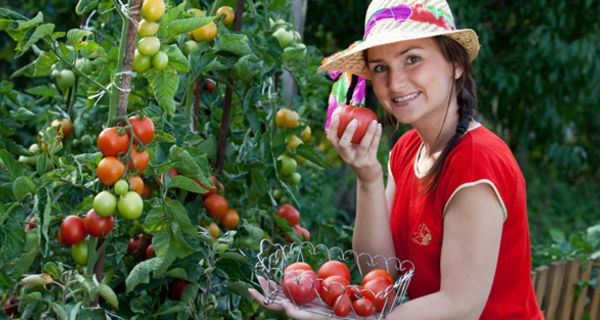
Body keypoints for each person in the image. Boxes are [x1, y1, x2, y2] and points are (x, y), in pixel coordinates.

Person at [250, 0, 544, 318]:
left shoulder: (476, 161)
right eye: (380, 68)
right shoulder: (407, 149)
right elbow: (381, 274)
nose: (395, 82)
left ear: (455, 64)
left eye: (412, 59)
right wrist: (368, 178)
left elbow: (461, 306)